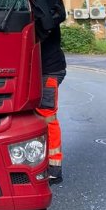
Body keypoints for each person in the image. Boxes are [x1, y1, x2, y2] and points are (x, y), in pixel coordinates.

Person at [37, 23, 67, 184]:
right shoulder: (47, 15)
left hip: (48, 72)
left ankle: (54, 170)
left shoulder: (44, 20)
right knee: (39, 116)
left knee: (47, 116)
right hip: (46, 70)